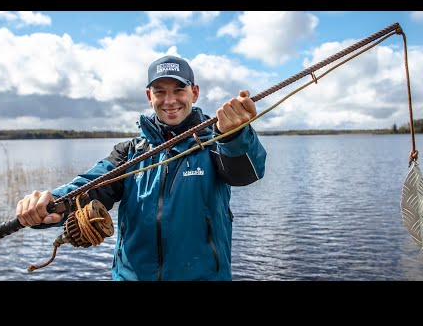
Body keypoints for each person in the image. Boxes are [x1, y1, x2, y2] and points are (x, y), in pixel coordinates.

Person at [16, 55, 267, 281]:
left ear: (195, 93)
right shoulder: (129, 153)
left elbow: (247, 172)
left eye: (179, 89)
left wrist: (234, 136)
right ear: (150, 97)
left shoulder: (216, 142)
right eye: (160, 92)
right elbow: (87, 188)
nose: (170, 101)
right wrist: (49, 204)